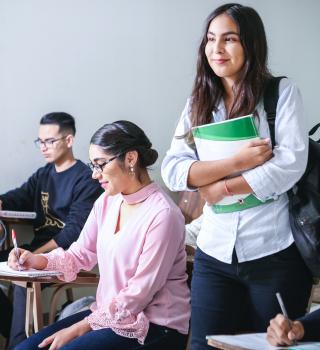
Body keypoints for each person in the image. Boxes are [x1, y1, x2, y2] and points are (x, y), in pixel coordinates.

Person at [161, 3, 312, 349]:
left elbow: (290, 164)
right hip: (214, 252)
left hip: (273, 251)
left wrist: (221, 187)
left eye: (229, 39)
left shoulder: (281, 93)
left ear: (251, 45)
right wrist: (237, 163)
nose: (217, 49)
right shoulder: (198, 101)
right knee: (204, 345)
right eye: (211, 39)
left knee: (271, 345)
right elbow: (173, 169)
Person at [9, 120, 190, 350]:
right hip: (109, 316)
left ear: (131, 158)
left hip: (155, 326)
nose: (95, 175)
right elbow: (80, 253)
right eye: (92, 165)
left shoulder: (163, 215)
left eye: (100, 165)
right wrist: (37, 260)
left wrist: (78, 328)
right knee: (24, 349)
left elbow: (138, 294)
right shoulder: (107, 201)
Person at [0, 112, 102, 349]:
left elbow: (72, 234)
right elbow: (19, 196)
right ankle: (22, 340)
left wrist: (35, 255)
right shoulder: (44, 174)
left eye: (50, 141)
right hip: (36, 251)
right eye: (40, 142)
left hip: (65, 256)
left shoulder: (85, 178)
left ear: (69, 140)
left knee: (22, 285)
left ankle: (20, 344)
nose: (43, 148)